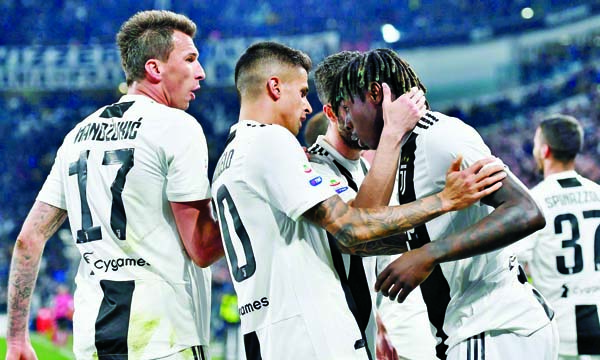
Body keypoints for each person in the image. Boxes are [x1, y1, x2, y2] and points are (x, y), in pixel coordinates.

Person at [211, 41, 505, 360]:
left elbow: (367, 241)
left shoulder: (229, 157)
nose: (307, 106)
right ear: (274, 87)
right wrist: (445, 200)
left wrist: (440, 243)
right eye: (301, 92)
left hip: (270, 333)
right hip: (311, 335)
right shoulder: (273, 142)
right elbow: (353, 230)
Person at [6, 10, 223, 360]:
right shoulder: (177, 127)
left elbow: (27, 240)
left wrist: (16, 338)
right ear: (155, 69)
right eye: (191, 59)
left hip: (94, 339)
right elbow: (200, 247)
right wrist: (248, 206)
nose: (201, 72)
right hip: (162, 337)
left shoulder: (76, 136)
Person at [329, 48, 559, 359]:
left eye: (347, 107)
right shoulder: (402, 150)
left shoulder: (439, 136)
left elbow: (526, 211)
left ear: (374, 94)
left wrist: (429, 254)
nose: (346, 122)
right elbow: (365, 229)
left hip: (493, 328)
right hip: (477, 329)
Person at [310, 51, 437, 360]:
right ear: (333, 112)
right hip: (327, 342)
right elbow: (359, 229)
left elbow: (376, 254)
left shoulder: (368, 170)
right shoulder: (311, 169)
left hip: (371, 334)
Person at [512, 115, 600, 359]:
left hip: (560, 330)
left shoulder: (534, 201)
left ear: (545, 150)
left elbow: (512, 261)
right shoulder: (598, 193)